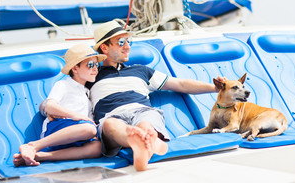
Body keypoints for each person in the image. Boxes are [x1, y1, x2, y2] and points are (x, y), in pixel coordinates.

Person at [89, 20, 226, 171]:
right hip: (111, 116)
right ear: (104, 47)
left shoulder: (141, 71)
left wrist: (215, 88)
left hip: (142, 111)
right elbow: (72, 98)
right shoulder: (90, 76)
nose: (127, 46)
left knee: (146, 124)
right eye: (121, 42)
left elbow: (180, 84)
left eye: (129, 41)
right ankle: (142, 142)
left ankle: (142, 141)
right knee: (110, 125)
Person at [13, 43, 106, 166]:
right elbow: (50, 105)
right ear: (75, 68)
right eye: (90, 65)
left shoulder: (87, 93)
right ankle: (33, 145)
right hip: (59, 128)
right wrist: (75, 116)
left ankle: (40, 156)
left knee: (97, 148)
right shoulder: (63, 85)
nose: (95, 69)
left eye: (96, 65)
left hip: (79, 135)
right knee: (88, 128)